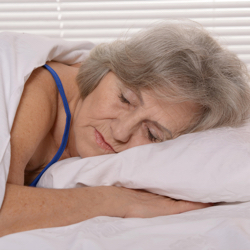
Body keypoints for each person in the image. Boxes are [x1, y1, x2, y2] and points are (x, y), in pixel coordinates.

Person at [0, 20, 250, 237]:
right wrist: (115, 201)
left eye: (152, 134)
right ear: (106, 70)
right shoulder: (35, 89)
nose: (121, 132)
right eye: (125, 99)